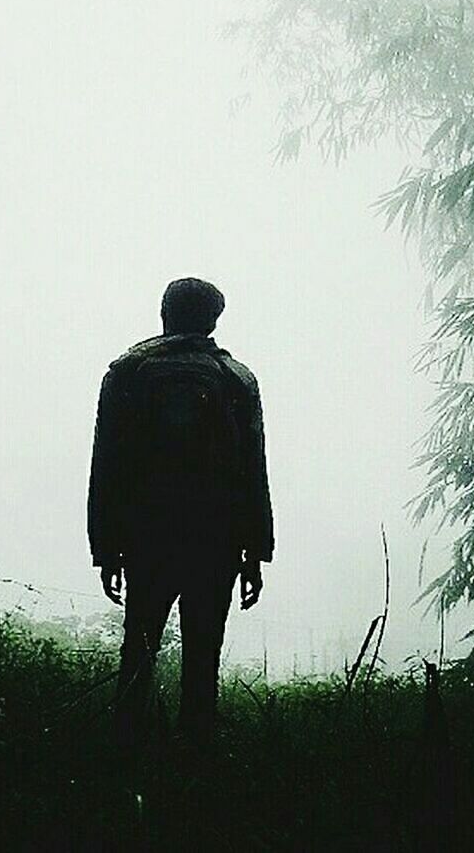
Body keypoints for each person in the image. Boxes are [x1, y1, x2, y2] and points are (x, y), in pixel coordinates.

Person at [87, 277, 274, 747]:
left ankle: (124, 756)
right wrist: (256, 551)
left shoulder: (127, 374)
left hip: (148, 537)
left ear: (164, 315)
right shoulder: (238, 379)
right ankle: (195, 762)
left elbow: (106, 464)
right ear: (213, 320)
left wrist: (105, 548)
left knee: (139, 647)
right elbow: (253, 467)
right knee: (203, 654)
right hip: (218, 540)